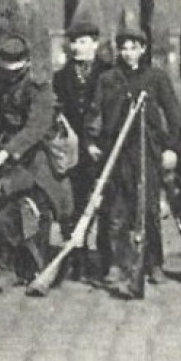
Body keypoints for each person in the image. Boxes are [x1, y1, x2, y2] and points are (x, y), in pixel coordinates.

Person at [87, 27, 181, 300]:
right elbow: (95, 113)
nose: (129, 53)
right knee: (116, 209)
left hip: (147, 149)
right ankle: (117, 263)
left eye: (134, 47)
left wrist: (171, 149)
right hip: (115, 151)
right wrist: (92, 141)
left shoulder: (156, 78)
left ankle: (153, 263)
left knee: (147, 207)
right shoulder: (108, 79)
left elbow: (174, 115)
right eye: (124, 47)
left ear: (143, 49)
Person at [0, 35, 73, 293]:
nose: (8, 76)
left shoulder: (39, 88)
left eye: (14, 71)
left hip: (38, 157)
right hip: (8, 152)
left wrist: (7, 152)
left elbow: (36, 128)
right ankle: (6, 268)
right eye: (4, 70)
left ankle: (41, 268)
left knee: (34, 208)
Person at [54, 18, 113, 281]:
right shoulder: (61, 77)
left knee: (107, 203)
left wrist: (99, 142)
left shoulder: (109, 74)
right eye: (74, 42)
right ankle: (76, 258)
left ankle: (105, 259)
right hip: (74, 150)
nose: (78, 47)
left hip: (103, 147)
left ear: (95, 44)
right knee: (76, 204)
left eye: (84, 42)